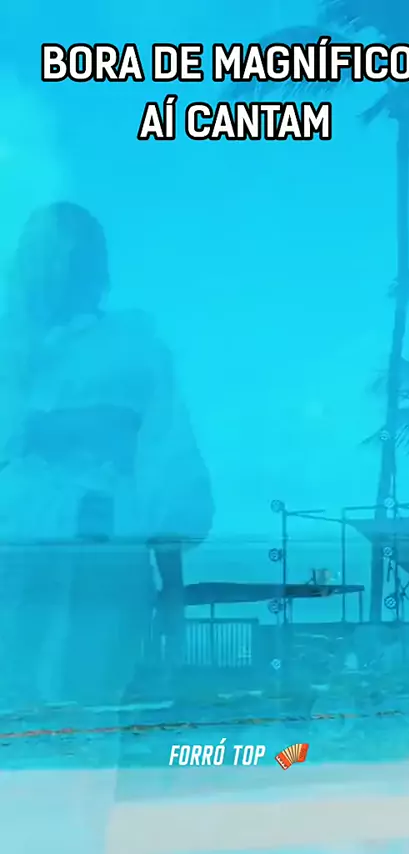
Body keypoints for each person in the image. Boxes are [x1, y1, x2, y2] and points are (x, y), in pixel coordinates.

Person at [0, 201, 213, 850]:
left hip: (103, 573)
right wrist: (49, 428)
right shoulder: (10, 353)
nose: (56, 272)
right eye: (45, 258)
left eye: (72, 259)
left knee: (86, 740)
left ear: (94, 270)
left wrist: (172, 609)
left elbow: (169, 484)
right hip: (19, 569)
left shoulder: (138, 353)